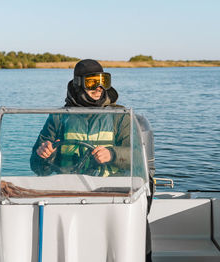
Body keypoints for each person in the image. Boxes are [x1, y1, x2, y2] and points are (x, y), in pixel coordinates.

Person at [29, 59, 153, 261]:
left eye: (103, 80)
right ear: (78, 84)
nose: (99, 87)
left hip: (111, 194)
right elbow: (37, 167)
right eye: (92, 82)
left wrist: (113, 155)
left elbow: (139, 160)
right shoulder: (59, 117)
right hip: (67, 194)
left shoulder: (121, 116)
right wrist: (44, 154)